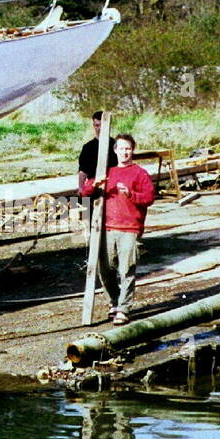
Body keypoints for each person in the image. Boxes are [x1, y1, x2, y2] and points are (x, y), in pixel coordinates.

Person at [79, 133, 155, 325]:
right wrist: (93, 185)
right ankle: (113, 302)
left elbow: (149, 198)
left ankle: (124, 308)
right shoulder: (108, 172)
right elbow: (84, 192)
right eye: (121, 148)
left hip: (130, 228)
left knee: (127, 268)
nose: (125, 152)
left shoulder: (140, 173)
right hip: (105, 227)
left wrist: (131, 194)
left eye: (128, 149)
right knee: (105, 269)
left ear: (133, 151)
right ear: (115, 151)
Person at [77, 110, 113, 189]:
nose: (100, 128)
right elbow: (83, 172)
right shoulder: (87, 148)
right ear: (93, 125)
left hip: (113, 186)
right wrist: (81, 190)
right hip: (93, 187)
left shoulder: (116, 145)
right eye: (97, 125)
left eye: (102, 125)